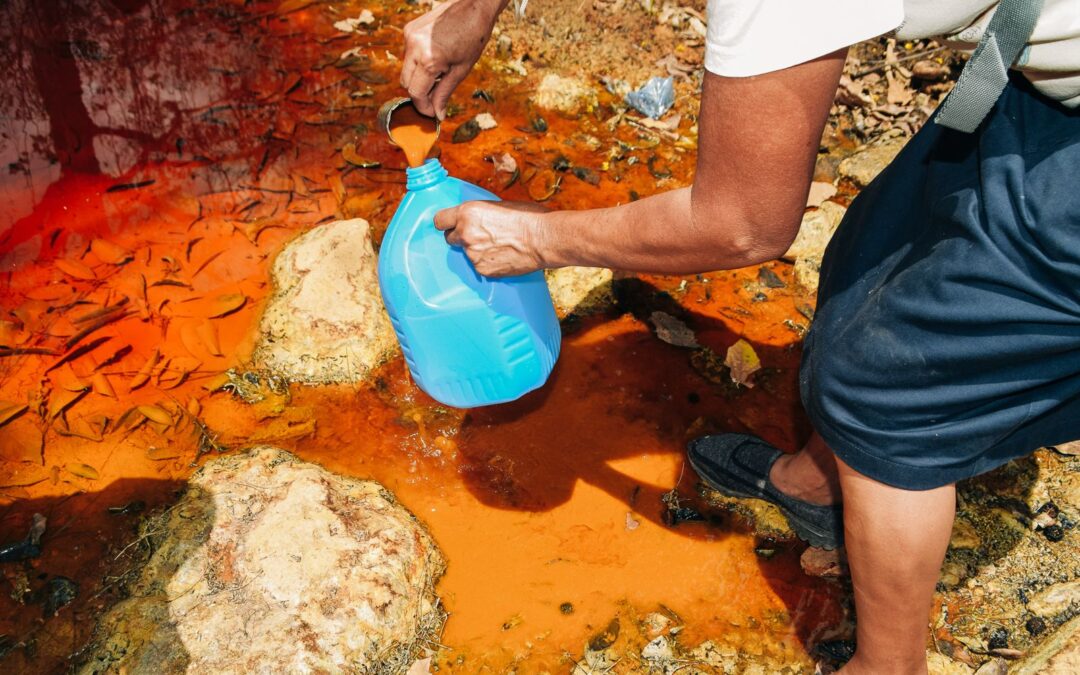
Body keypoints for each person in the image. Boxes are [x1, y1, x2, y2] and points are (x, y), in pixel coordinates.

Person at [400, 1, 1080, 672]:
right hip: (1037, 79)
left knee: (885, 389)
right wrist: (474, 10)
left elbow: (742, 225)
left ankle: (888, 664)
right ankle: (818, 485)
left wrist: (538, 237)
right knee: (869, 260)